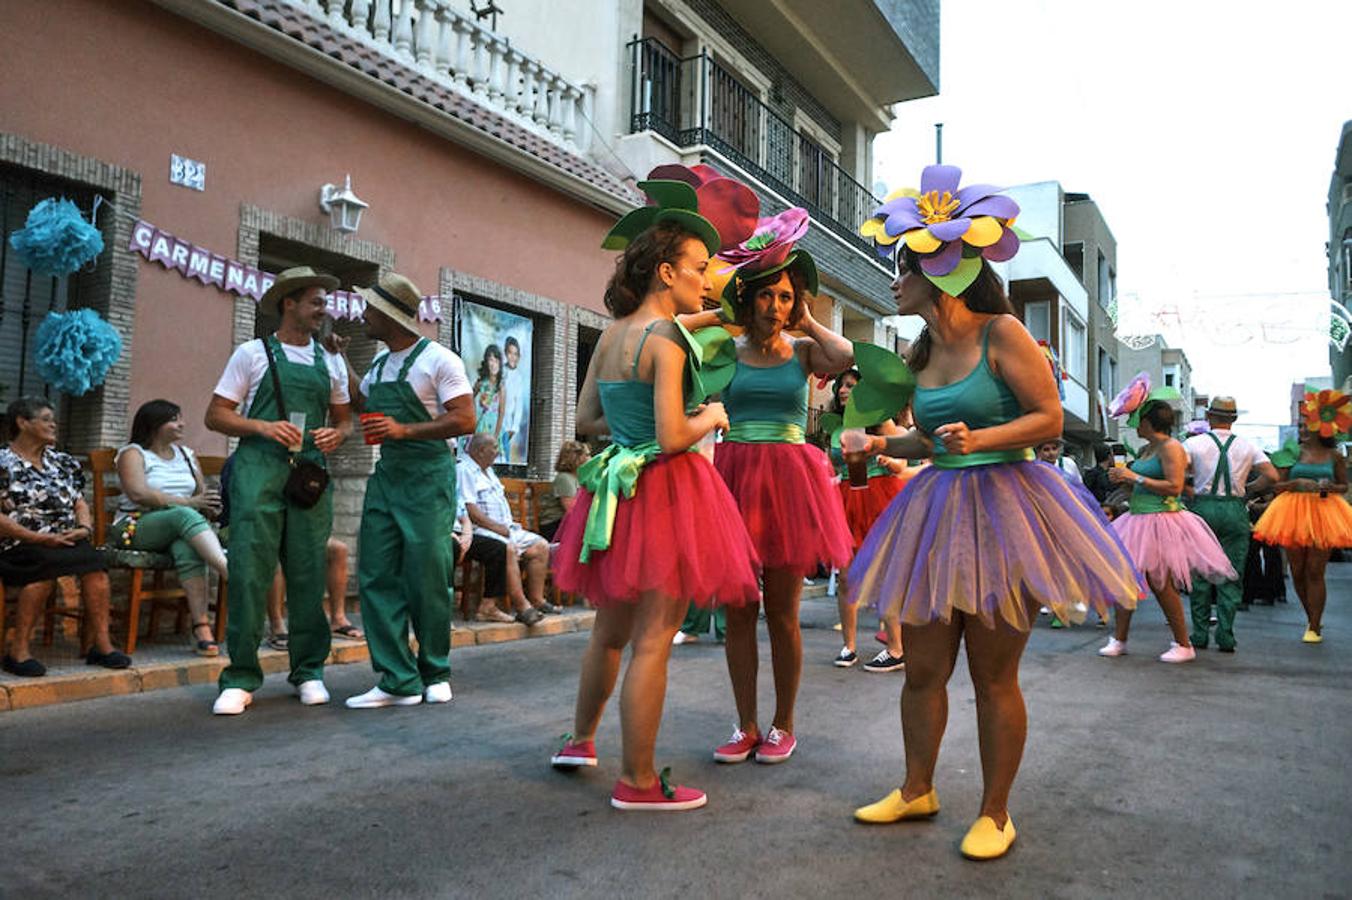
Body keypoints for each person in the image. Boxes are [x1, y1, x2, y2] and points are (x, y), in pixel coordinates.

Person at [846, 167, 1142, 860]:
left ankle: (996, 812)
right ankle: (918, 787)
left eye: (906, 266)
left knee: (992, 675)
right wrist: (881, 442)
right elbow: (928, 439)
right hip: (935, 510)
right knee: (921, 669)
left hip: (1008, 508)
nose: (897, 280)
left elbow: (1047, 420)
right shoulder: (918, 350)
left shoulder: (1001, 331)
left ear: (943, 268)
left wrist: (979, 439)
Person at [550, 168, 762, 810]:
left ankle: (580, 739)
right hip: (667, 490)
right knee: (654, 637)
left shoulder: (612, 334)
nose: (706, 278)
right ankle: (638, 780)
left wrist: (631, 431)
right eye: (698, 266)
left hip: (616, 492)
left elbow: (586, 422)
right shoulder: (667, 340)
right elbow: (674, 435)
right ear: (665, 272)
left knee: (608, 631)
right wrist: (715, 415)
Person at [698, 204, 854, 766]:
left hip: (789, 484)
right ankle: (744, 725)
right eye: (766, 295)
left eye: (785, 296)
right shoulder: (725, 353)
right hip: (733, 480)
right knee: (738, 611)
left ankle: (784, 723)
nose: (775, 306)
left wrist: (807, 319)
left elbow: (846, 355)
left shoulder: (806, 350)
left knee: (783, 611)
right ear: (748, 297)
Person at [205, 266, 352, 715]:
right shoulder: (251, 354)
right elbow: (216, 415)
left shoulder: (331, 361)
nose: (322, 311)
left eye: (324, 303)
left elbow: (346, 418)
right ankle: (240, 676)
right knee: (250, 570)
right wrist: (262, 426)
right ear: (288, 303)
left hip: (308, 473)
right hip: (257, 470)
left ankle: (309, 671)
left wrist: (339, 435)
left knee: (308, 571)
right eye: (315, 302)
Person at [334, 273, 477, 709]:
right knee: (375, 575)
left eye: (370, 310)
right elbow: (365, 404)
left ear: (390, 315)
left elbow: (465, 419)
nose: (363, 316)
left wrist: (404, 429)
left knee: (427, 577)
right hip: (388, 476)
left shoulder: (439, 360)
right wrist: (340, 361)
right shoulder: (379, 365)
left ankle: (435, 670)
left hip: (428, 477)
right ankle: (397, 679)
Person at [1098, 382, 1233, 662]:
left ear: (1149, 422)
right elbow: (1138, 489)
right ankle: (1119, 639)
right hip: (1137, 519)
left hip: (1161, 521)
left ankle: (1183, 644)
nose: (1133, 424)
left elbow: (1174, 486)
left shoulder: (1171, 448)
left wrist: (1133, 477)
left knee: (1162, 583)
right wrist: (1122, 482)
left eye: (1138, 420)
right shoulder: (1147, 450)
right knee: (1126, 579)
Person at [0, 397, 131, 676]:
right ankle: (18, 652)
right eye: (46, 419)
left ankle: (102, 646)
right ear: (22, 423)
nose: (53, 424)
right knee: (41, 573)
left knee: (96, 569)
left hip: (63, 538)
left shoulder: (62, 462)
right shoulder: (3, 462)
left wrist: (84, 529)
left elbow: (79, 503)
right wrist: (37, 538)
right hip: (19, 542)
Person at [114, 399, 229, 657]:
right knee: (183, 515)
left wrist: (209, 506)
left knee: (187, 547)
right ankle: (226, 568)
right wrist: (189, 503)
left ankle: (201, 628)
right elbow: (138, 493)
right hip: (135, 525)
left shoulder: (187, 455)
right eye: (174, 419)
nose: (182, 424)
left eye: (181, 418)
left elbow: (200, 494)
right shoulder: (133, 453)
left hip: (179, 527)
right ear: (154, 424)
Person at [1252, 389, 1352, 642]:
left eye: (1309, 426)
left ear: (1324, 428)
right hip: (1292, 512)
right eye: (1302, 426)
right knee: (1297, 570)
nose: (1304, 430)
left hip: (1325, 512)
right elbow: (1276, 486)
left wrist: (1330, 487)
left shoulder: (1335, 456)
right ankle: (1311, 617)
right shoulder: (1292, 452)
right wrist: (1297, 482)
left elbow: (1344, 486)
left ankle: (1315, 626)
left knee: (1315, 570)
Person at [1181, 397, 1279, 653]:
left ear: (1210, 417)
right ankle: (1226, 635)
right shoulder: (1248, 446)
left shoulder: (1192, 443)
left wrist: (1189, 488)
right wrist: (1247, 491)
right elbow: (1272, 475)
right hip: (1235, 508)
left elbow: (1175, 471)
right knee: (1232, 573)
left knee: (1200, 573)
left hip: (1203, 508)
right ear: (1233, 419)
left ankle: (1200, 634)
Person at [828, 369, 908, 673]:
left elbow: (901, 457)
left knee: (883, 574)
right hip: (846, 498)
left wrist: (892, 462)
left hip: (880, 497)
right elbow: (834, 462)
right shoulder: (838, 427)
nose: (843, 390)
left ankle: (896, 647)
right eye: (840, 386)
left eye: (851, 385)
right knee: (846, 575)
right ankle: (848, 645)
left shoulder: (883, 423)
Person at [458, 433, 558, 617]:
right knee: (507, 549)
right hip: (479, 530)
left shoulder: (488, 471)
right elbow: (469, 509)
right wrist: (497, 528)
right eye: (494, 448)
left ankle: (537, 599)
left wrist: (506, 527)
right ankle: (522, 607)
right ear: (480, 451)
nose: (498, 451)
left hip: (506, 528)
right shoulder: (465, 470)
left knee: (541, 546)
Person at [265, 537, 361, 650]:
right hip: (273, 535)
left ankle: (338, 620)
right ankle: (277, 626)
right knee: (275, 556)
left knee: (338, 549)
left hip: (300, 533)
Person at [538, 440, 589, 542]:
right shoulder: (564, 479)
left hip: (567, 523)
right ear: (576, 458)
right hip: (554, 525)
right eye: (587, 455)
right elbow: (571, 510)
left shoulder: (578, 478)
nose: (590, 458)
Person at [500, 336, 529, 462]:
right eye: (510, 353)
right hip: (494, 421)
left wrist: (514, 427)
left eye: (516, 354)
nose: (513, 357)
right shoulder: (500, 372)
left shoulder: (518, 377)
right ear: (506, 353)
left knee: (503, 456)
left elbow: (519, 405)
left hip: (507, 425)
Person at [472, 345, 505, 446]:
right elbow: (468, 398)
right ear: (486, 362)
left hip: (494, 427)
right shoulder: (481, 383)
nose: (493, 364)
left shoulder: (500, 386)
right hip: (481, 425)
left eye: (496, 360)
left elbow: (501, 413)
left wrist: (496, 435)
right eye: (491, 360)